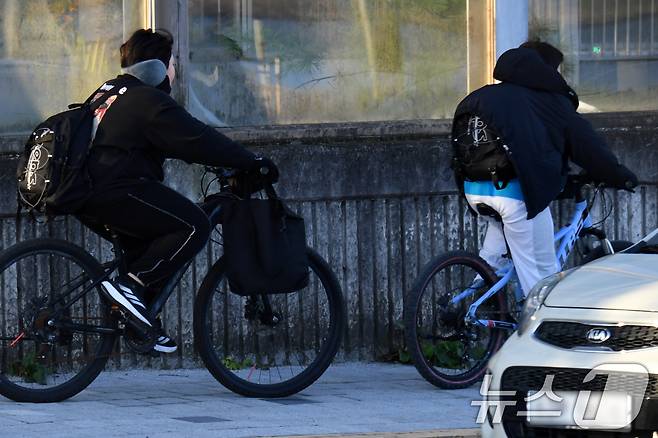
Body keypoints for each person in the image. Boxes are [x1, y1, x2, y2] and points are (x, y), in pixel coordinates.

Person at [76, 29, 278, 353]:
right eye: (172, 64)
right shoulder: (148, 99)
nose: (175, 72)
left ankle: (141, 321)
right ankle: (130, 288)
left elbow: (157, 141)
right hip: (116, 190)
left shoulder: (110, 91)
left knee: (153, 241)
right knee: (194, 224)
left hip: (88, 193)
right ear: (157, 67)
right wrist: (251, 161)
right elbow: (196, 138)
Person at [451, 40, 637, 296]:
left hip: (475, 190)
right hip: (516, 195)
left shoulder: (482, 96)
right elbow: (587, 146)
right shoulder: (548, 101)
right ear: (544, 68)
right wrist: (621, 177)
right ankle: (535, 330)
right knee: (540, 273)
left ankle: (463, 308)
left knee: (492, 261)